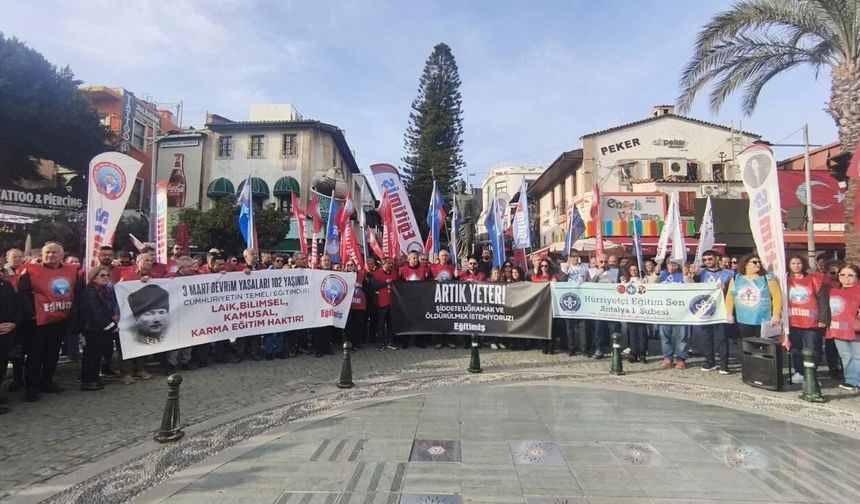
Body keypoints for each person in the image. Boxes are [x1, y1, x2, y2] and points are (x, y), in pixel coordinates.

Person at [16, 242, 78, 401]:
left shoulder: (72, 270)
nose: (51, 255)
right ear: (42, 255)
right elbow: (22, 295)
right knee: (35, 355)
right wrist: (32, 315)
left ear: (62, 255)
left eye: (54, 253)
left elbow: (77, 291)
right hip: (38, 322)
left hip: (61, 319)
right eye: (47, 252)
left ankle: (47, 382)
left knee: (52, 354)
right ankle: (32, 388)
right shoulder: (30, 270)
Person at [114, 253, 159, 384]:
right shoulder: (126, 275)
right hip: (127, 316)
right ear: (137, 262)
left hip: (145, 316)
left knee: (142, 342)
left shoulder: (155, 277)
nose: (149, 263)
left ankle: (140, 369)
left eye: (151, 260)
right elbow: (118, 290)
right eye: (146, 260)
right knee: (126, 345)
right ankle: (126, 373)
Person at [786, 254, 830, 384]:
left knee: (812, 349)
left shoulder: (815, 279)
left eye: (798, 263)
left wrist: (823, 319)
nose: (796, 266)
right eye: (793, 263)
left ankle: (812, 375)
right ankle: (799, 372)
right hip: (792, 321)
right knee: (796, 348)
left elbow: (823, 301)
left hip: (811, 322)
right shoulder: (784, 280)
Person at [694, 250, 736, 374]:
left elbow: (733, 291)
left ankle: (724, 364)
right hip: (705, 310)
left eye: (710, 259)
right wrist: (692, 275)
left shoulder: (729, 273)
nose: (707, 262)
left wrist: (726, 288)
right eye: (705, 260)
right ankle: (709, 361)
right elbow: (691, 287)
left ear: (716, 259)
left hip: (721, 310)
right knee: (706, 337)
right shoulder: (700, 273)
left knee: (721, 338)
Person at [79, 266, 119, 391]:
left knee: (98, 355)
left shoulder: (102, 290)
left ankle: (94, 377)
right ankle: (89, 380)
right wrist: (111, 326)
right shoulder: (91, 292)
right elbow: (95, 313)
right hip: (93, 329)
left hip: (100, 329)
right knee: (91, 356)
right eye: (102, 275)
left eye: (107, 275)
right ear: (94, 277)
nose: (106, 277)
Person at [725, 254, 782, 339]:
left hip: (764, 319)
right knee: (747, 345)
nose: (758, 264)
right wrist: (729, 313)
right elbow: (730, 297)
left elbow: (777, 296)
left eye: (759, 262)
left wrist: (776, 314)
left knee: (764, 346)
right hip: (744, 319)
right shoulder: (736, 278)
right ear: (746, 264)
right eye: (755, 262)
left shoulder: (767, 278)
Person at [826, 264, 860, 391]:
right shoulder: (833, 291)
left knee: (857, 356)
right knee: (845, 356)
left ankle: (855, 381)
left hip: (856, 329)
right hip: (838, 329)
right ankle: (851, 380)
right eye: (842, 275)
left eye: (850, 275)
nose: (846, 278)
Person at [658, 258, 692, 369]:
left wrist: (687, 276)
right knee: (664, 336)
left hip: (682, 311)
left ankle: (680, 359)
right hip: (665, 310)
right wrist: (656, 273)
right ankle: (667, 358)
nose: (672, 266)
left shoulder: (683, 275)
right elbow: (651, 284)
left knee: (682, 336)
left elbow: (692, 287)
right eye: (670, 264)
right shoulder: (662, 275)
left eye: (674, 264)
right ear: (666, 265)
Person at [588, 253, 619, 359]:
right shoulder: (591, 272)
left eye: (605, 261)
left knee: (614, 327)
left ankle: (615, 348)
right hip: (598, 305)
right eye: (601, 261)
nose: (604, 264)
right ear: (596, 262)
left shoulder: (616, 272)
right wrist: (598, 275)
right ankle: (599, 349)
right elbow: (588, 285)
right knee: (599, 327)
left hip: (612, 304)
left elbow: (622, 284)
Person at [0, 271, 20, 413]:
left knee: (1, 366)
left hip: (6, 333)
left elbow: (16, 307)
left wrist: (14, 323)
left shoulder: (6, 285)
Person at [370, 257, 399, 351]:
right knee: (381, 324)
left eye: (391, 263)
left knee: (391, 324)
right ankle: (381, 343)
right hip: (381, 303)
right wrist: (384, 282)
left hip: (393, 303)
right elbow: (373, 286)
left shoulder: (395, 273)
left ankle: (390, 342)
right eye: (389, 263)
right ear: (383, 264)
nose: (391, 265)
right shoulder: (376, 274)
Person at [625, 263, 649, 363]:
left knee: (642, 333)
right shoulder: (626, 281)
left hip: (641, 310)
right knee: (632, 333)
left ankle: (642, 353)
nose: (634, 272)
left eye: (635, 270)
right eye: (632, 270)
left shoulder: (643, 280)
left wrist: (644, 283)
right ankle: (633, 353)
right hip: (630, 310)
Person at [344, 259, 366, 350]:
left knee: (358, 325)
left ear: (355, 266)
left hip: (359, 304)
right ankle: (349, 344)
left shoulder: (361, 275)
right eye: (348, 265)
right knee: (349, 326)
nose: (350, 267)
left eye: (351, 265)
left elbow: (368, 288)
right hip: (347, 306)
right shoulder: (343, 276)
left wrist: (361, 286)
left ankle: (357, 343)